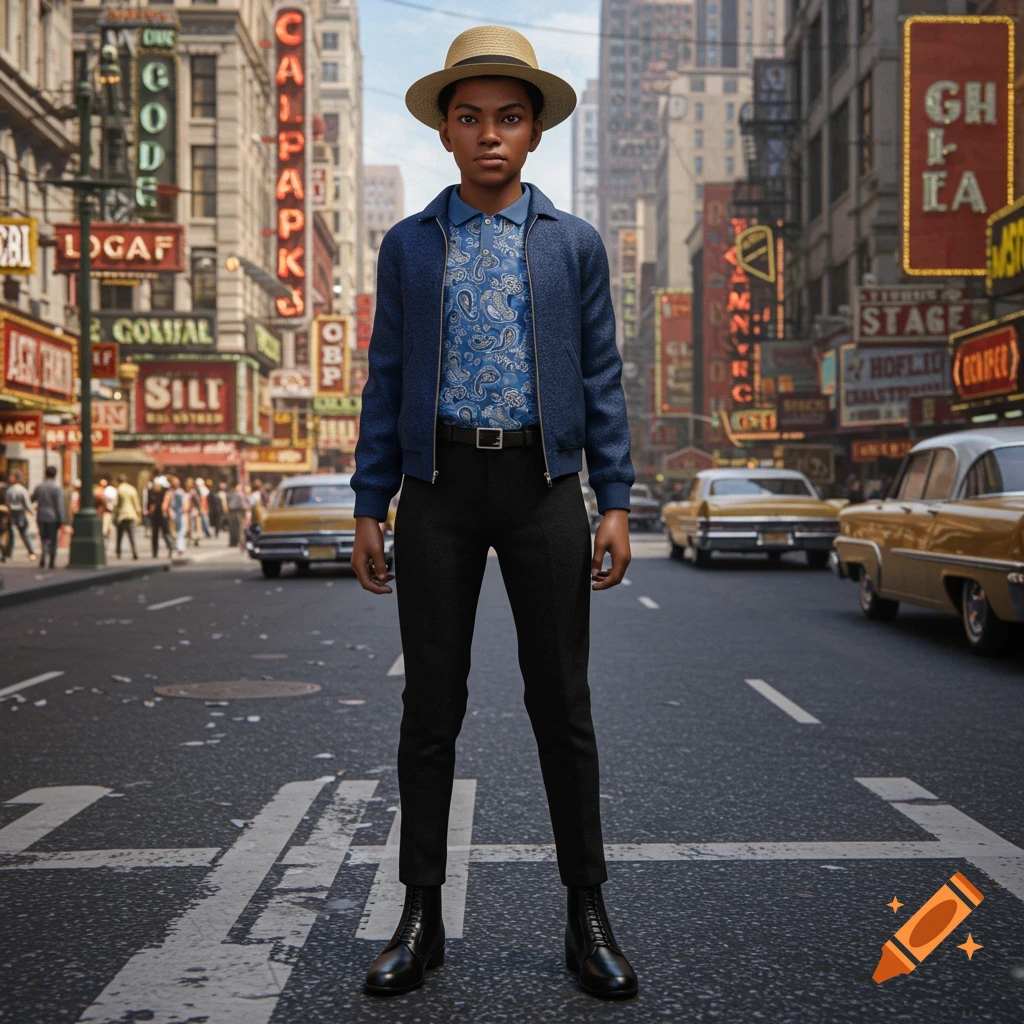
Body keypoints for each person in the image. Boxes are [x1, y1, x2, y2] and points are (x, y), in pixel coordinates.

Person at [351, 27, 636, 1000]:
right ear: (443, 130)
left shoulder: (573, 246)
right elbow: (385, 377)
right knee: (429, 708)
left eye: (506, 118)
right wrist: (367, 503)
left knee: (563, 703)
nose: (488, 135)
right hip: (434, 490)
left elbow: (600, 375)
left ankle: (586, 912)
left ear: (534, 131)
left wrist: (616, 501)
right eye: (468, 118)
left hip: (544, 489)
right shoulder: (409, 246)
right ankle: (419, 915)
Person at [31, 466, 66, 569]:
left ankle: (42, 557)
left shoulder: (39, 487)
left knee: (43, 539)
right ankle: (51, 561)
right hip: (53, 517)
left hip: (41, 516)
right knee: (53, 540)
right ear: (55, 475)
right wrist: (62, 519)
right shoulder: (57, 488)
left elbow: (32, 499)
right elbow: (59, 505)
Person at [6, 471, 35, 561]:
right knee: (24, 534)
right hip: (20, 513)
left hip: (12, 513)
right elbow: (27, 503)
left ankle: (8, 554)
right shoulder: (22, 490)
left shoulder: (10, 490)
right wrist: (32, 512)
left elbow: (7, 503)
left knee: (12, 535)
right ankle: (31, 552)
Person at [113, 474, 142, 559]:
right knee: (132, 536)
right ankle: (134, 551)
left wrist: (114, 516)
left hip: (122, 515)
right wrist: (138, 515)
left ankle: (118, 553)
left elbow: (117, 505)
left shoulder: (119, 490)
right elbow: (136, 504)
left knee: (119, 537)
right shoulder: (132, 489)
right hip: (131, 514)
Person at [147, 474, 173, 558]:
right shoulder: (151, 492)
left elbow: (165, 504)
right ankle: (155, 552)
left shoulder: (164, 492)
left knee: (165, 533)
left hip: (162, 515)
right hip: (155, 516)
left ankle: (170, 548)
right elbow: (149, 503)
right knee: (155, 534)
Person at [165, 475, 187, 556]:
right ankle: (175, 547)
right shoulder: (170, 492)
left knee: (180, 532)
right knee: (174, 533)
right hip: (173, 514)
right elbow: (166, 504)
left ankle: (179, 548)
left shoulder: (180, 492)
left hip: (179, 514)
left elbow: (185, 504)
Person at [226, 482, 249, 548]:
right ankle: (237, 542)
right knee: (236, 528)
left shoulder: (233, 494)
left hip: (234, 512)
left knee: (235, 528)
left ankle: (235, 542)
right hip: (235, 512)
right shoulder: (237, 494)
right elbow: (243, 505)